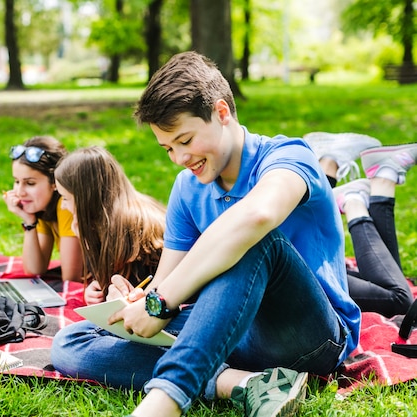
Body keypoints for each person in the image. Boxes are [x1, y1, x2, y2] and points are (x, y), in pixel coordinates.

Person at [51, 51, 361, 417]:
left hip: (308, 336)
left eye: (185, 140)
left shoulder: (290, 157)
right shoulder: (187, 187)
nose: (179, 158)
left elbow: (258, 216)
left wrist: (161, 302)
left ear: (222, 113)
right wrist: (139, 303)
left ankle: (165, 399)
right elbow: (164, 283)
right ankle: (243, 383)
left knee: (252, 240)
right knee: (73, 339)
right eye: (168, 148)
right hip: (228, 331)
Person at [304, 133, 416, 317]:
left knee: (397, 297)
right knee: (392, 291)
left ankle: (358, 191)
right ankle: (366, 183)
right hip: (292, 265)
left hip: (290, 267)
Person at [53, 146, 166, 305]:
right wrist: (95, 290)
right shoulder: (104, 220)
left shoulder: (129, 228)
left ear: (84, 198)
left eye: (65, 198)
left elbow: (131, 291)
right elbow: (106, 280)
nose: (63, 206)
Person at [2, 135, 83, 282]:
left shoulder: (66, 206)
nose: (20, 192)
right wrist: (29, 221)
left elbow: (71, 279)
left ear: (54, 181)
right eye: (16, 181)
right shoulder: (44, 208)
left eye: (30, 183)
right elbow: (34, 269)